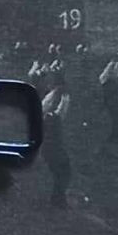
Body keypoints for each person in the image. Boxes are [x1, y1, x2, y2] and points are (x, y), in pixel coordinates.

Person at [41, 75, 72, 209]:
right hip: (51, 146)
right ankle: (57, 200)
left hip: (54, 145)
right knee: (62, 172)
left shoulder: (60, 100)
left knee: (64, 172)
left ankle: (58, 199)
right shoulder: (50, 111)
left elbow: (61, 112)